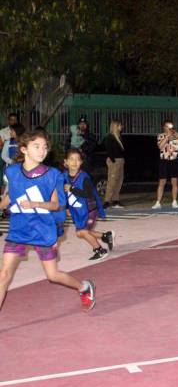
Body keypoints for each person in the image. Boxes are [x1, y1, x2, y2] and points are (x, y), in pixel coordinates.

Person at [0, 130, 96, 313]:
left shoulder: (53, 175)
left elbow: (56, 205)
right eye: (36, 146)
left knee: (52, 275)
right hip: (19, 230)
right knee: (3, 275)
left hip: (43, 230)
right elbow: (11, 197)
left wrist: (35, 203)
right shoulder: (12, 172)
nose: (42, 150)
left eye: (44, 147)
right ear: (24, 149)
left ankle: (84, 287)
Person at [63, 148, 114, 261]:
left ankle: (100, 250)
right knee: (82, 233)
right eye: (71, 159)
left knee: (82, 232)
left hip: (89, 210)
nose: (74, 162)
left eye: (77, 159)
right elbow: (64, 195)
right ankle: (105, 236)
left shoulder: (84, 177)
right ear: (65, 162)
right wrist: (67, 207)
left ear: (81, 162)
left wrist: (72, 188)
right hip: (78, 211)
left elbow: (89, 194)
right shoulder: (64, 177)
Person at [152, 119, 178, 209]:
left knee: (174, 181)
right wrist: (167, 137)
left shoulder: (176, 135)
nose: (170, 128)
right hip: (164, 160)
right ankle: (158, 202)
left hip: (175, 160)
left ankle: (174, 201)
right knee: (162, 182)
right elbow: (160, 147)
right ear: (164, 127)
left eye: (171, 126)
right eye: (167, 126)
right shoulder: (161, 135)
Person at [103, 119, 125, 209]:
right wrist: (113, 160)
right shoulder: (110, 137)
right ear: (116, 126)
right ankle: (107, 201)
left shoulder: (119, 136)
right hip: (114, 161)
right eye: (120, 125)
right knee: (112, 181)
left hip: (120, 160)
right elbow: (109, 150)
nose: (121, 127)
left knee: (119, 181)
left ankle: (115, 200)